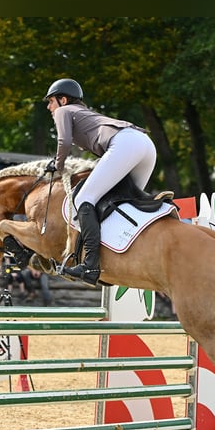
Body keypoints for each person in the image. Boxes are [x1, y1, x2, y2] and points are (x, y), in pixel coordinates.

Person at [44, 78, 156, 286]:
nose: (49, 107)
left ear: (63, 99)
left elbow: (64, 142)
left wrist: (57, 166)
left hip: (125, 144)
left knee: (84, 198)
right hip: (146, 146)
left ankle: (90, 265)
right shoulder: (85, 114)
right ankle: (122, 256)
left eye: (51, 101)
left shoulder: (63, 111)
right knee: (124, 205)